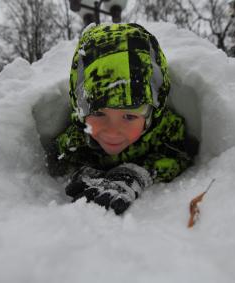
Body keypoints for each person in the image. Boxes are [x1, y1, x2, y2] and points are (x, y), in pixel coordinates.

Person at [46, 23, 198, 215]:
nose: (112, 130)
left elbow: (181, 156)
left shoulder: (165, 129)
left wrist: (139, 173)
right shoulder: (77, 139)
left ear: (152, 113)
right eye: (99, 113)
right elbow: (56, 158)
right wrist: (81, 170)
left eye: (129, 116)